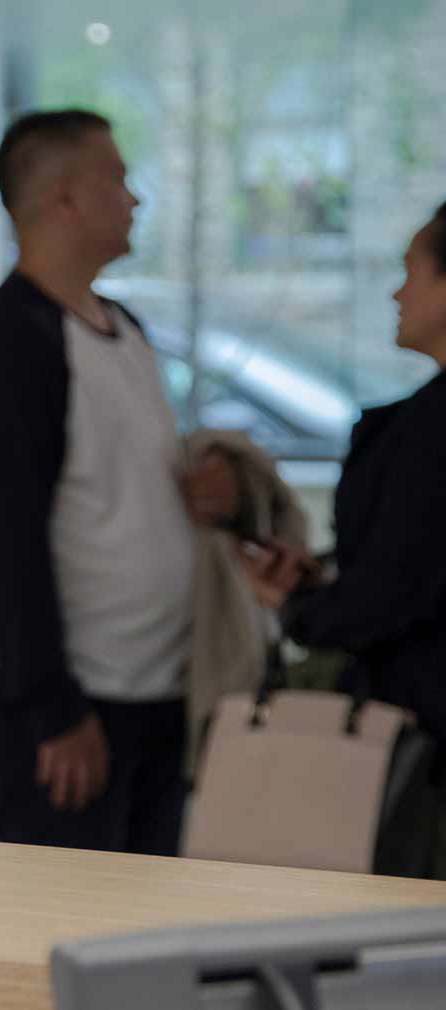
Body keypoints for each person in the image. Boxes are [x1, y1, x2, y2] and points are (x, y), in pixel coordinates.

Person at [0, 109, 231, 855]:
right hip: (70, 709)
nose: (135, 198)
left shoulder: (124, 328)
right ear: (64, 198)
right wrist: (52, 711)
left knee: (139, 926)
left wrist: (209, 490)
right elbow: (4, 539)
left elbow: (134, 482)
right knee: (56, 933)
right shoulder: (13, 341)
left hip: (152, 688)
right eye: (118, 179)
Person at [239, 202, 446, 761]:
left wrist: (299, 605)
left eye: (411, 272)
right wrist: (328, 578)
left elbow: (396, 588)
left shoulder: (431, 429)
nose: (397, 294)